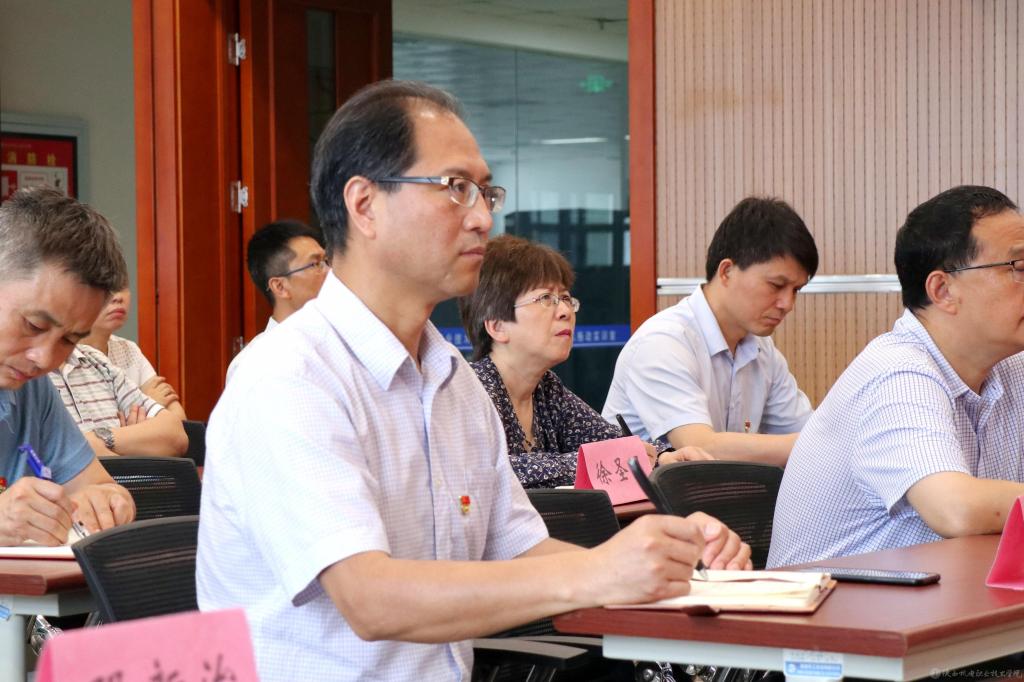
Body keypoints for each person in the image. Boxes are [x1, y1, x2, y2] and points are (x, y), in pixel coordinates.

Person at [197, 80, 751, 681]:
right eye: (455, 188)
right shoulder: (288, 377)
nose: (484, 217)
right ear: (365, 204)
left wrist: (666, 564)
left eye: (486, 192)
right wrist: (601, 572)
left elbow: (521, 549)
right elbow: (369, 598)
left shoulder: (452, 381)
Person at [768, 185, 1024, 567]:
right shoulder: (898, 372)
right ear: (942, 290)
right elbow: (955, 508)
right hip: (832, 603)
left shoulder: (1009, 366)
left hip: (939, 595)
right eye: (1018, 268)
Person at [458, 234, 711, 489]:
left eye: (566, 298)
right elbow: (488, 471)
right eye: (546, 299)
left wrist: (662, 458)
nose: (565, 311)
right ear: (497, 326)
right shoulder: (469, 391)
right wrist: (600, 462)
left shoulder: (547, 389)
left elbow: (609, 442)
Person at [602, 197, 818, 466]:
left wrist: (820, 442)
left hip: (717, 492)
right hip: (646, 495)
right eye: (776, 285)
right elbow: (700, 447)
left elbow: (804, 430)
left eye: (796, 290)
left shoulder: (762, 351)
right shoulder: (662, 341)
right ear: (726, 271)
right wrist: (818, 443)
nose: (787, 304)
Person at [0, 187, 136, 546]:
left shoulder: (31, 388)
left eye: (69, 340)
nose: (45, 359)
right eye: (34, 325)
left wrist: (108, 500)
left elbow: (93, 485)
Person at [225, 220, 328, 383]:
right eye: (315, 264)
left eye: (326, 261)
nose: (329, 272)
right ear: (280, 286)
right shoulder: (254, 364)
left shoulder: (338, 345)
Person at [49, 341, 188, 458]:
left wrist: (97, 440)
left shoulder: (96, 360)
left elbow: (176, 436)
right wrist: (134, 442)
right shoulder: (36, 375)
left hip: (135, 482)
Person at [80, 287, 186, 418]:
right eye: (105, 286)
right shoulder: (65, 359)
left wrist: (133, 417)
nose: (118, 297)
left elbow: (178, 418)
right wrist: (145, 406)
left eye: (122, 286)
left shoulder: (129, 350)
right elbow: (98, 429)